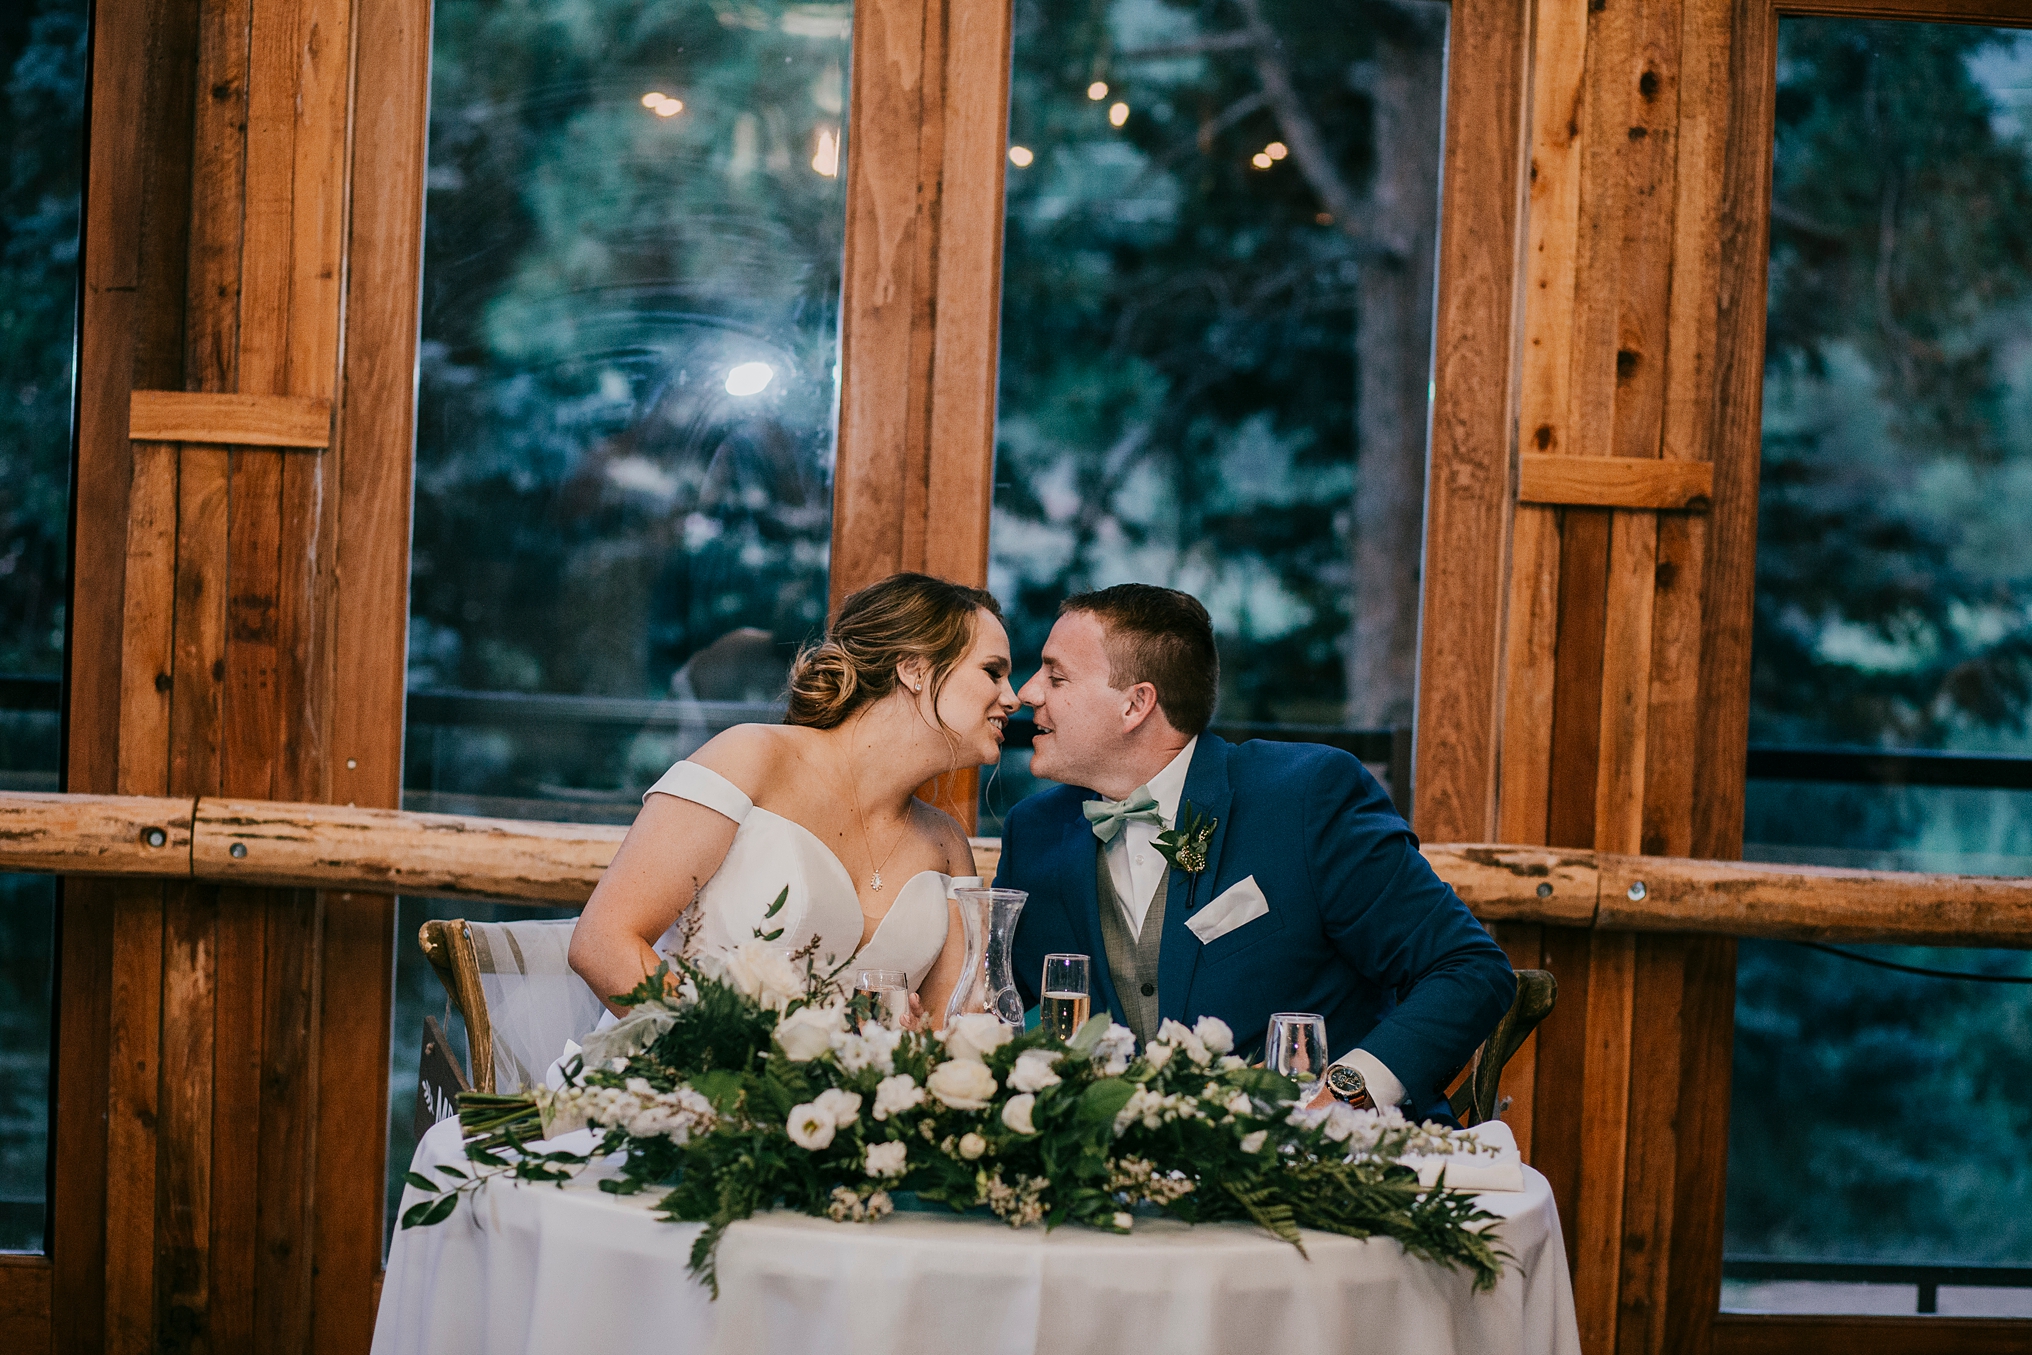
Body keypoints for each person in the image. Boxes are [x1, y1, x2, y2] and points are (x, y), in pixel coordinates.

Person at [997, 584, 1514, 1121]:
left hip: (1326, 1155)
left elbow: (1469, 968)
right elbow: (998, 1003)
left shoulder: (1306, 797)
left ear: (1136, 704)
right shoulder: (1035, 834)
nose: (1028, 692)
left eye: (1056, 677)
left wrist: (1344, 1095)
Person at [569, 573, 1021, 1023]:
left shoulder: (947, 845)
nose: (1013, 698)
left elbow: (949, 1029)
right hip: (673, 1062)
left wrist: (911, 1042)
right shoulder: (750, 759)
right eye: (992, 672)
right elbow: (603, 943)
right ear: (914, 668)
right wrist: (719, 1055)